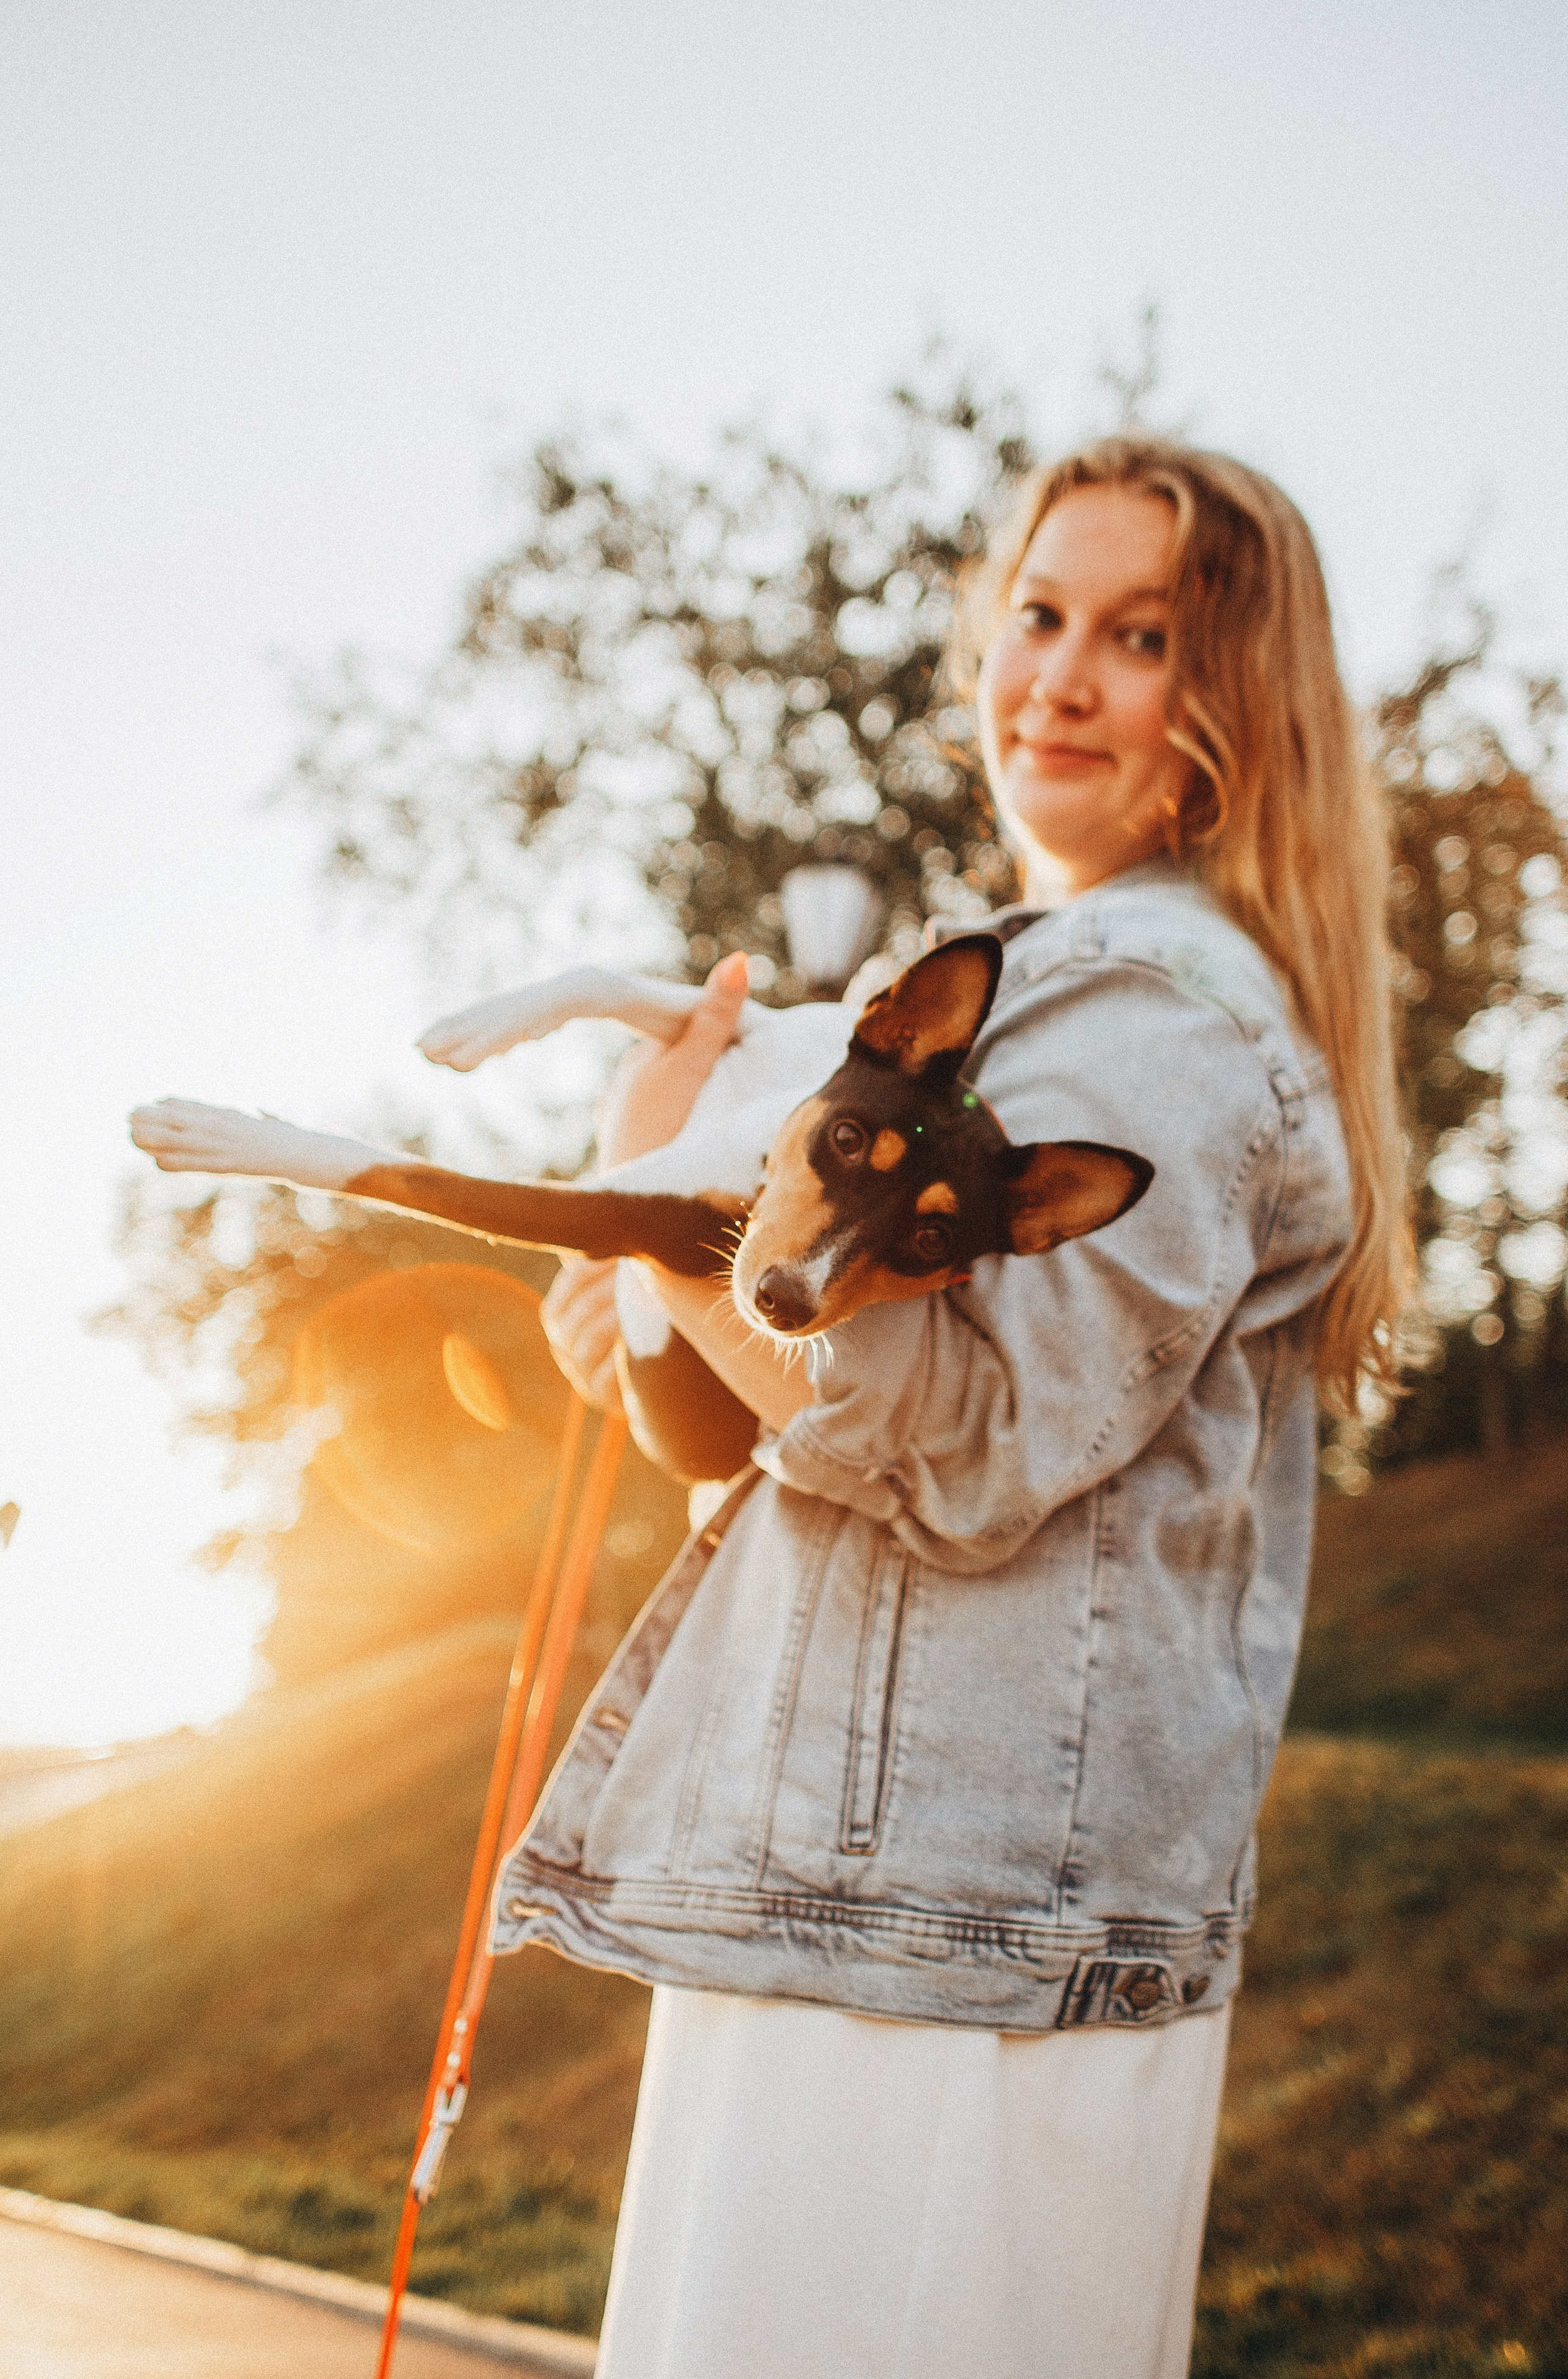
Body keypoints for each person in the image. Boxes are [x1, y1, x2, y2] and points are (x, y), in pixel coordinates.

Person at [514, 436, 1407, 2379]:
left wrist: (678, 1230)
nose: (1062, 678)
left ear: (1238, 706)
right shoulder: (1047, 991)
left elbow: (969, 1448)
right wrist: (669, 1314)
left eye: (1144, 636)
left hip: (950, 1954)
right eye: (1041, 614)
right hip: (893, 1919)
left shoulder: (1160, 1008)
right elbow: (832, 1435)